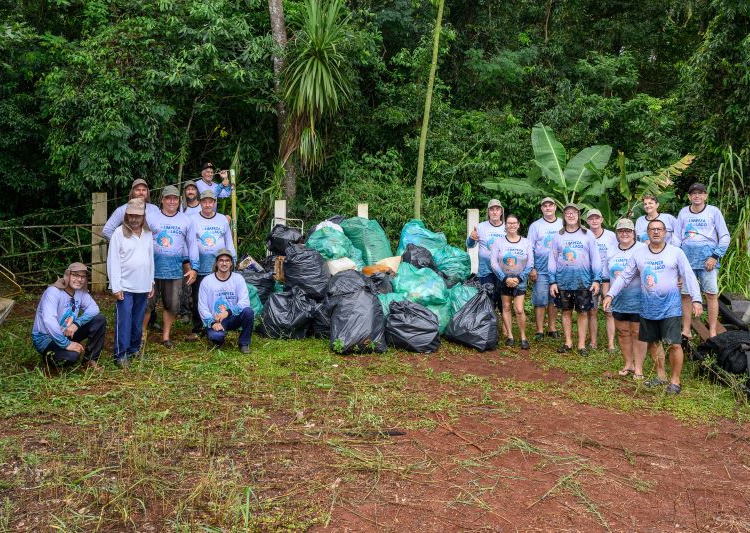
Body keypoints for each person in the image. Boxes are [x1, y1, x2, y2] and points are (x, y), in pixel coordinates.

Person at [604, 219, 703, 394]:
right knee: (652, 343)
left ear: (665, 232)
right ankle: (660, 375)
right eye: (652, 229)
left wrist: (696, 299)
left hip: (670, 307)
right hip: (648, 307)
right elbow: (625, 276)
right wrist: (611, 294)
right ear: (647, 233)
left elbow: (688, 275)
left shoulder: (676, 252)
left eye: (659, 229)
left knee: (674, 344)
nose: (656, 232)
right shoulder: (639, 254)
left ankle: (675, 381)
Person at [143, 185, 199, 348]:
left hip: (174, 270)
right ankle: (141, 335)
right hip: (151, 269)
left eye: (175, 198)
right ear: (162, 200)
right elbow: (141, 240)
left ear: (179, 200)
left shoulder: (186, 220)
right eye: (168, 198)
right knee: (147, 304)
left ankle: (166, 337)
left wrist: (194, 267)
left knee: (172, 305)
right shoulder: (151, 217)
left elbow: (192, 244)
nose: (172, 201)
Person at [674, 182, 730, 339]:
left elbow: (725, 236)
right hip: (687, 260)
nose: (697, 196)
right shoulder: (684, 212)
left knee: (711, 295)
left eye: (700, 193)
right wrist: (676, 260)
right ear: (689, 197)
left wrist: (715, 256)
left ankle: (712, 330)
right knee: (685, 294)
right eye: (693, 193)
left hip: (708, 261)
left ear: (705, 195)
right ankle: (686, 329)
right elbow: (677, 237)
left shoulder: (714, 212)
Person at [548, 203, 601, 356]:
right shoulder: (558, 236)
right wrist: (552, 281)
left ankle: (582, 345)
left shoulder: (587, 234)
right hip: (563, 280)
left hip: (583, 281)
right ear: (564, 217)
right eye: (567, 213)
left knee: (583, 312)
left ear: (578, 215)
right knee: (566, 311)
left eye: (573, 212)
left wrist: (596, 279)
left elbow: (595, 258)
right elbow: (552, 259)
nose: (571, 215)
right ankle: (568, 342)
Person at [107, 198, 155, 367]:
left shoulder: (148, 234)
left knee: (138, 319)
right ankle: (121, 353)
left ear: (143, 217)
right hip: (125, 286)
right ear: (126, 216)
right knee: (124, 320)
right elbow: (112, 261)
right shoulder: (119, 233)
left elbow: (150, 259)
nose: (134, 219)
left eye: (138, 216)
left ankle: (134, 349)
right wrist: (115, 286)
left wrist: (151, 282)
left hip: (142, 285)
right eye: (131, 215)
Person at [31, 263, 106, 370]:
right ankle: (49, 359)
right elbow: (49, 320)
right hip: (46, 338)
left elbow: (94, 309)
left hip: (66, 332)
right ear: (67, 275)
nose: (79, 279)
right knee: (71, 357)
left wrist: (77, 323)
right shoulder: (53, 292)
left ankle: (89, 360)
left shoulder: (80, 292)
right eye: (75, 275)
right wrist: (66, 344)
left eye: (83, 276)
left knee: (99, 319)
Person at [188, 189, 236, 341]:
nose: (207, 204)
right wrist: (193, 265)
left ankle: (220, 322)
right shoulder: (193, 219)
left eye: (210, 202)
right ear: (200, 203)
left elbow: (229, 240)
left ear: (214, 203)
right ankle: (198, 327)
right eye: (204, 202)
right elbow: (191, 243)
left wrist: (232, 259)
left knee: (218, 295)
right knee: (198, 296)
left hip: (220, 264)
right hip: (201, 265)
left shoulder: (222, 219)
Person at [603, 219, 649, 377]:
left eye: (628, 231)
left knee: (637, 332)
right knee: (622, 332)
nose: (625, 234)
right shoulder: (610, 250)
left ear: (634, 233)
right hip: (618, 299)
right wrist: (606, 295)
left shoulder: (643, 248)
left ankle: (639, 367)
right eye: (621, 231)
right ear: (616, 234)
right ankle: (628, 363)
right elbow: (605, 276)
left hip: (639, 299)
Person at [490, 214, 534, 349]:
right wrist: (505, 278)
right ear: (505, 225)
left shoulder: (526, 242)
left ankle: (523, 337)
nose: (512, 225)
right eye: (509, 223)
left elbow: (530, 263)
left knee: (519, 309)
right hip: (504, 279)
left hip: (519, 280)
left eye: (514, 223)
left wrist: (519, 278)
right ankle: (510, 336)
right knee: (506, 307)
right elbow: (494, 262)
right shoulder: (499, 242)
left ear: (519, 225)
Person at [198, 249, 253, 353]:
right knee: (217, 338)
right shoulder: (207, 281)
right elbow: (202, 306)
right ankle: (215, 335)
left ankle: (244, 343)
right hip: (216, 319)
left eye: (227, 260)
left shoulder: (238, 278)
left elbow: (244, 302)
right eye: (221, 260)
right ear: (217, 263)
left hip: (232, 317)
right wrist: (213, 322)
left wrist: (227, 312)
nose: (224, 263)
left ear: (231, 263)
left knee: (248, 311)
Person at [527, 197, 562, 340]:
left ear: (555, 208)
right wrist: (532, 268)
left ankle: (552, 328)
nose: (548, 208)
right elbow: (530, 248)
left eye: (550, 205)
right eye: (545, 206)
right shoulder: (535, 226)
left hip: (559, 269)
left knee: (554, 299)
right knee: (540, 299)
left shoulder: (562, 224)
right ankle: (540, 330)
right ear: (541, 209)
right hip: (541, 269)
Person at [586, 209, 618, 352]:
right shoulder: (584, 235)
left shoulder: (611, 236)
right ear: (587, 221)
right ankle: (593, 342)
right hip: (591, 278)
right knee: (592, 311)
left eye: (597, 218)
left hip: (607, 278)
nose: (594, 221)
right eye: (591, 219)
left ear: (601, 219)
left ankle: (611, 344)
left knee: (608, 311)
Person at [467, 199, 506, 307]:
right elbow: (470, 245)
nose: (494, 212)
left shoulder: (507, 228)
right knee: (487, 302)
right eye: (492, 209)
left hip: (502, 271)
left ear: (501, 212)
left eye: (497, 209)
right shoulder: (480, 227)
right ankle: (488, 323)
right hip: (485, 271)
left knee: (503, 303)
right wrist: (471, 238)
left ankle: (502, 323)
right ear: (488, 212)